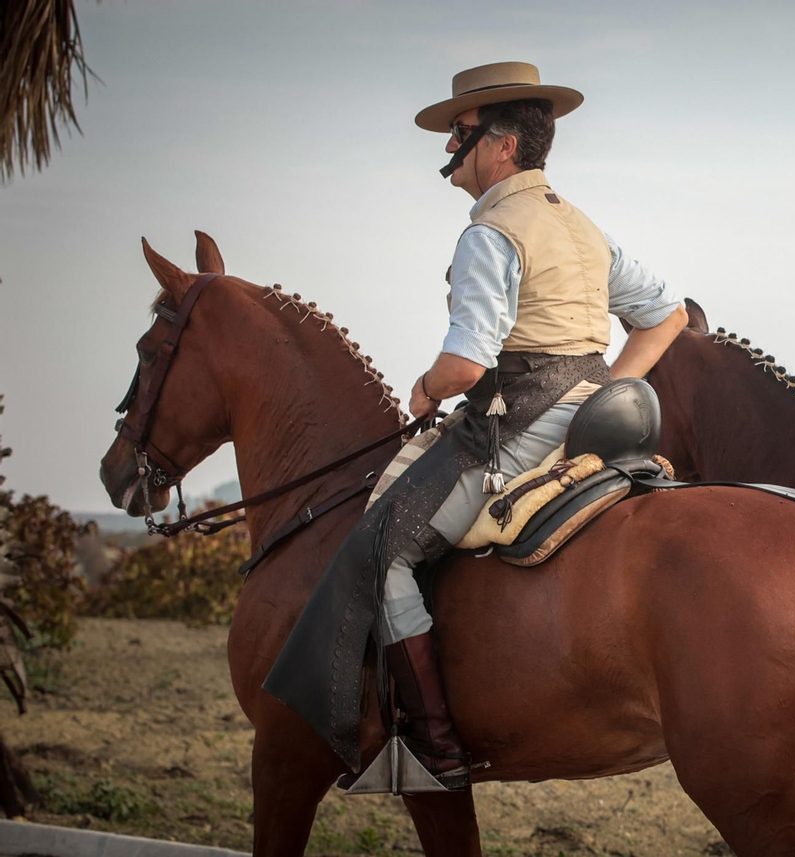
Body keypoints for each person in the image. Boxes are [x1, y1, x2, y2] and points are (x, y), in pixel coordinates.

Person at [264, 61, 686, 789]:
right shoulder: (583, 228)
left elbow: (466, 365)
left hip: (516, 427)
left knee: (382, 548)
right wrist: (607, 390)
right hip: (590, 420)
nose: (450, 151)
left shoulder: (490, 232)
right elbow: (667, 317)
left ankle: (434, 750)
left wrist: (427, 388)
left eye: (459, 135)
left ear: (500, 146)